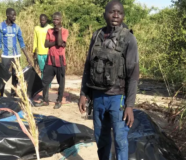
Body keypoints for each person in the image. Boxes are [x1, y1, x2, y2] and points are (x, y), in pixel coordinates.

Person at [78, 0, 139, 160]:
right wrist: (83, 94)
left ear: (123, 15)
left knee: (120, 140)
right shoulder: (97, 36)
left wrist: (130, 105)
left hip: (117, 99)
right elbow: (88, 66)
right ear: (105, 14)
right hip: (97, 98)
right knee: (101, 139)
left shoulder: (129, 39)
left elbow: (133, 75)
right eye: (112, 12)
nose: (116, 15)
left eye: (119, 12)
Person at [40, 12, 69, 109]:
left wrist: (59, 32)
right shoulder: (49, 31)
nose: (55, 21)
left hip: (60, 60)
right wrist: (57, 43)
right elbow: (46, 45)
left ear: (61, 20)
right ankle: (45, 100)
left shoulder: (64, 31)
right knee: (45, 81)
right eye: (54, 19)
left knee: (61, 82)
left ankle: (59, 100)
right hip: (50, 60)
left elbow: (61, 42)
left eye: (57, 19)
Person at [33, 14, 53, 105]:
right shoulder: (36, 28)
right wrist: (34, 52)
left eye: (44, 20)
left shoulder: (50, 28)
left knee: (48, 72)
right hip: (40, 53)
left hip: (48, 52)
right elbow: (35, 40)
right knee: (42, 72)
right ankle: (44, 89)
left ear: (46, 20)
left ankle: (47, 89)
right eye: (41, 20)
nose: (42, 21)